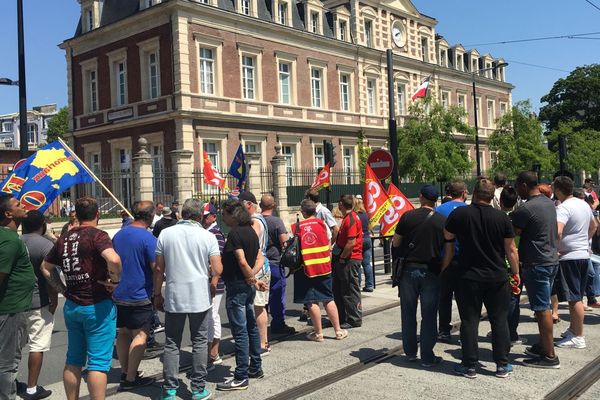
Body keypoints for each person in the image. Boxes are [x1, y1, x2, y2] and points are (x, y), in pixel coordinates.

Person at [41, 196, 122, 400]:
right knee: (98, 363)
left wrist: (62, 290)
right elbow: (113, 258)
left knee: (74, 359)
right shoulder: (98, 235)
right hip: (97, 304)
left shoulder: (64, 238)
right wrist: (115, 279)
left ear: (75, 213)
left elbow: (45, 267)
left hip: (73, 304)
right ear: (98, 214)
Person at [444, 179, 519, 379]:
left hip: (467, 275)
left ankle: (469, 365)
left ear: (474, 194)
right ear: (491, 195)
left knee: (469, 320)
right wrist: (516, 272)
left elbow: (448, 235)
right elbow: (510, 249)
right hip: (496, 276)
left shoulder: (460, 214)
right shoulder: (501, 217)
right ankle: (502, 364)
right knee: (499, 320)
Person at [154, 199, 222, 400]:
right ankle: (198, 388)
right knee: (199, 341)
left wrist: (157, 293)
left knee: (172, 342)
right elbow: (217, 268)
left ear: (181, 214)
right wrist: (212, 283)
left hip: (175, 295)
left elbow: (159, 268)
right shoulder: (207, 236)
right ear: (200, 215)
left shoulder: (166, 234)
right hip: (199, 295)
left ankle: (170, 390)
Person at [392, 185, 446, 367]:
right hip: (431, 270)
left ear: (421, 197)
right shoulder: (441, 220)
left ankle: (410, 352)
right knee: (429, 315)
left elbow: (396, 241)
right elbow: (448, 248)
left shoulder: (408, 216)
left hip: (408, 270)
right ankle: (427, 356)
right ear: (435, 200)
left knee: (408, 312)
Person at [217, 199, 266, 391]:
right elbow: (260, 257)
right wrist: (253, 277)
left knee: (240, 331)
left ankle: (241, 375)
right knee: (251, 327)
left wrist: (249, 277)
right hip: (246, 285)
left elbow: (241, 260)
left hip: (237, 286)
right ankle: (256, 366)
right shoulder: (252, 232)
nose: (223, 217)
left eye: (225, 214)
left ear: (233, 215)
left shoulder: (235, 234)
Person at [112, 201, 157, 390]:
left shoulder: (119, 235)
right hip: (140, 292)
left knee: (122, 333)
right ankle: (131, 378)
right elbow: (156, 267)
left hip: (119, 291)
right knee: (140, 334)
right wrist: (158, 291)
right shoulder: (148, 238)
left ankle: (125, 371)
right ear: (150, 215)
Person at [292, 199, 347, 341]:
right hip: (324, 267)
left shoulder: (297, 227)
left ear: (303, 212)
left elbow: (293, 247)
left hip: (306, 268)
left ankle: (319, 334)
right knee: (328, 298)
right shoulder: (322, 224)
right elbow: (329, 241)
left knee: (311, 301)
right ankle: (338, 331)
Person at [553, 176, 597, 349]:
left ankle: (578, 336)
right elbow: (593, 225)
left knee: (574, 298)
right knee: (577, 294)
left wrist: (556, 247)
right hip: (583, 255)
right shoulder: (583, 204)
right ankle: (573, 329)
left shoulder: (563, 208)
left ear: (558, 190)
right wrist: (583, 241)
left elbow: (558, 231)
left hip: (569, 257)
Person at [0, 194, 36, 400]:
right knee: (7, 362)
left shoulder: (11, 238)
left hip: (13, 308)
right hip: (10, 309)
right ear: (8, 213)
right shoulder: (10, 241)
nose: (23, 206)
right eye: (18, 205)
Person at [20, 211, 56, 400]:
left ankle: (10, 382)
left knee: (13, 347)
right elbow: (50, 275)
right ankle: (32, 388)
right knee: (37, 345)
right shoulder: (45, 244)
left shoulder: (14, 242)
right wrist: (55, 297)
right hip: (38, 301)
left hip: (15, 302)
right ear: (42, 225)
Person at [434, 180, 468, 343]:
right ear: (463, 193)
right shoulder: (469, 210)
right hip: (465, 259)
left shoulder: (439, 210)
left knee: (444, 297)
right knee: (465, 298)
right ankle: (466, 331)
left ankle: (444, 330)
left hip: (444, 259)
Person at [239, 191, 271, 355]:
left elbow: (251, 240)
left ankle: (263, 343)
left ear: (249, 204)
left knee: (258, 306)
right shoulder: (258, 219)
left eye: (241, 204)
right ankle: (259, 340)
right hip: (258, 266)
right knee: (257, 305)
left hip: (257, 267)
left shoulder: (255, 221)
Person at [260, 194, 295, 335]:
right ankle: (278, 324)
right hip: (274, 262)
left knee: (262, 296)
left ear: (260, 205)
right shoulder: (276, 222)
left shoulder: (255, 220)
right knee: (276, 295)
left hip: (260, 263)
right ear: (273, 205)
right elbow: (285, 242)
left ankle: (261, 323)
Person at [332, 194, 363, 329]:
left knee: (350, 289)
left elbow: (351, 242)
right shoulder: (349, 218)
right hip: (346, 258)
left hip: (350, 259)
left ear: (341, 204)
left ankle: (354, 318)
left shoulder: (351, 219)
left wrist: (343, 258)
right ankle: (341, 317)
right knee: (340, 289)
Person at [202, 202, 226, 370]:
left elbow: (216, 262)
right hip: (208, 282)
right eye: (202, 216)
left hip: (214, 282)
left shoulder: (214, 234)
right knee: (209, 316)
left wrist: (213, 281)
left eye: (206, 216)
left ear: (213, 216)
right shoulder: (207, 233)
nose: (203, 219)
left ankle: (213, 353)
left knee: (212, 316)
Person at [354, 198, 374, 292]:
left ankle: (357, 284)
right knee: (366, 263)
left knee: (357, 263)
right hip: (367, 238)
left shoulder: (355, 216)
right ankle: (370, 285)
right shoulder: (365, 215)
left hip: (359, 239)